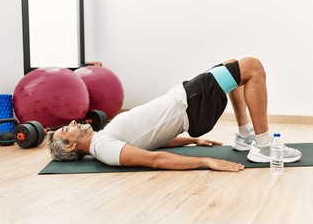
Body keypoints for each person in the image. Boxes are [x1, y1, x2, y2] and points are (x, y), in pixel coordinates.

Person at [47, 57, 301, 172]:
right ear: (70, 147)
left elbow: (151, 139)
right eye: (66, 129)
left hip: (187, 99)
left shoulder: (104, 139)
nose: (71, 123)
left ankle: (245, 135)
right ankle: (264, 146)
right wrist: (206, 161)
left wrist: (193, 141)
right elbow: (154, 159)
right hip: (190, 102)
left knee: (232, 63)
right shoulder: (104, 148)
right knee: (252, 67)